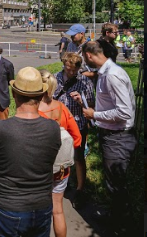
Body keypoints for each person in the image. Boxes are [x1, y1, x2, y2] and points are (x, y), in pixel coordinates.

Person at [0, 67, 61, 237]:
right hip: (42, 207)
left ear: (14, 95)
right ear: (40, 96)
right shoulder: (53, 128)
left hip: (6, 206)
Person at [80, 41, 137, 235]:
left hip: (117, 137)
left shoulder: (112, 75)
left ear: (89, 55)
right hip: (113, 135)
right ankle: (116, 217)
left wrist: (94, 114)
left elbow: (124, 112)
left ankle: (122, 226)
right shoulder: (106, 72)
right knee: (113, 182)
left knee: (116, 184)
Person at [38, 70, 81, 237]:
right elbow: (76, 138)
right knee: (58, 210)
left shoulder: (33, 112)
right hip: (62, 169)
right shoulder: (61, 108)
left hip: (40, 170)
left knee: (39, 211)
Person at [54, 52, 95, 209]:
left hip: (77, 124)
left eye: (74, 70)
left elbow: (91, 105)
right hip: (58, 124)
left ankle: (80, 188)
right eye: (68, 69)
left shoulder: (85, 81)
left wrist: (81, 101)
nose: (71, 72)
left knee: (78, 156)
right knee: (58, 155)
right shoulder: (55, 78)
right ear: (64, 65)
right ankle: (62, 181)